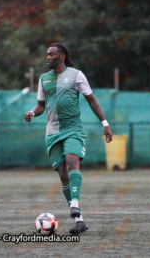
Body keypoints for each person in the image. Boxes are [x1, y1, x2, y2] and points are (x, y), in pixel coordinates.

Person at [24, 43, 112, 235]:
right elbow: (41, 105)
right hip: (52, 133)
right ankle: (79, 220)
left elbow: (92, 100)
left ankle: (74, 204)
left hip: (73, 129)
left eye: (51, 54)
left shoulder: (76, 75)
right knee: (63, 173)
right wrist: (32, 112)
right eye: (46, 54)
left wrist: (105, 124)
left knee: (72, 163)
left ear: (62, 56)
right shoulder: (43, 79)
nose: (47, 57)